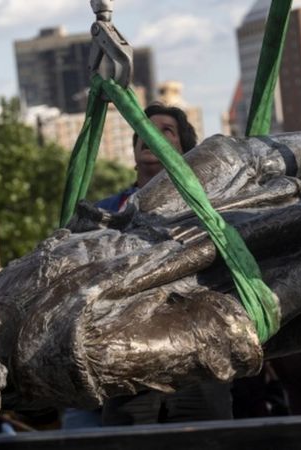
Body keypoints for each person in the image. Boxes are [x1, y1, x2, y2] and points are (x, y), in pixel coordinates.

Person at [94, 103, 233, 426]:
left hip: (197, 356)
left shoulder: (212, 210)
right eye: (143, 129)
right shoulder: (108, 212)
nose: (150, 135)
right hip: (130, 361)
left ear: (185, 152)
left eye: (165, 130)